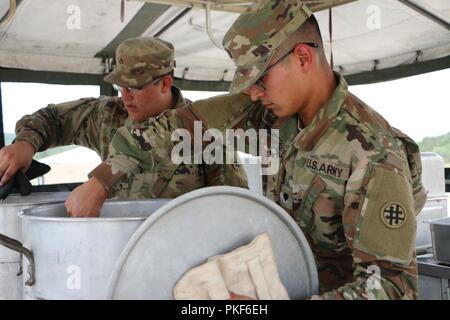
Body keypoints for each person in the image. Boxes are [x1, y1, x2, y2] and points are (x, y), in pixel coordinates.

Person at [219, 0, 427, 299]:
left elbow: (392, 288)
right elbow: (209, 118)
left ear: (303, 58)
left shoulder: (373, 152)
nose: (252, 93)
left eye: (259, 78)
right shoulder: (279, 120)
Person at [0, 36, 247, 217]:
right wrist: (26, 143)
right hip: (113, 250)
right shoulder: (107, 115)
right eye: (121, 86)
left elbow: (231, 207)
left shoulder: (206, 131)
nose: (125, 96)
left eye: (134, 87)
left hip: (180, 257)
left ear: (165, 83)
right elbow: (52, 118)